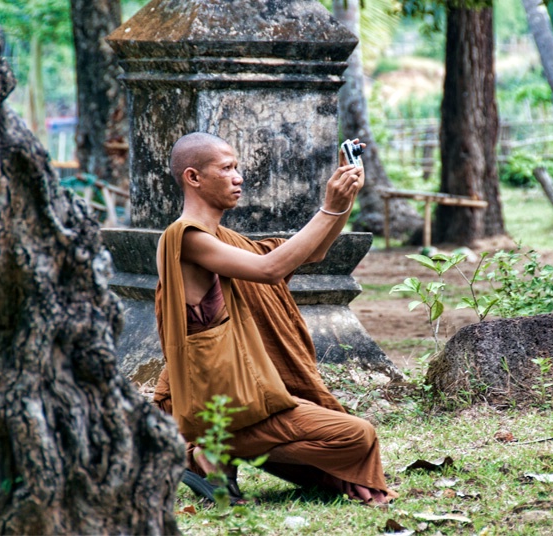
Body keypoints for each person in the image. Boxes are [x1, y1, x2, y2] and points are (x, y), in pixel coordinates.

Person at [152, 132, 397, 505]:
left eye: (238, 167)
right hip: (227, 400)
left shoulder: (223, 239)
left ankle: (211, 458)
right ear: (194, 177)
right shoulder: (185, 237)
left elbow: (308, 254)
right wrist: (328, 207)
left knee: (339, 448)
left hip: (243, 394)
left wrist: (343, 201)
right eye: (227, 168)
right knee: (356, 436)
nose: (239, 177)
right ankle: (206, 450)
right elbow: (269, 269)